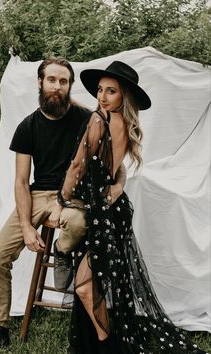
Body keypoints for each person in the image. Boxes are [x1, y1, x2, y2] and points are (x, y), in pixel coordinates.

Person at [49, 61, 209, 354]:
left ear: (125, 96)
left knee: (85, 286)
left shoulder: (99, 120)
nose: (102, 97)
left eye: (111, 91)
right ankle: (103, 337)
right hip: (112, 210)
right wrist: (119, 185)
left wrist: (60, 203)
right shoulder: (121, 122)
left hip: (101, 214)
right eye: (100, 90)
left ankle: (105, 342)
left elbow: (75, 167)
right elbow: (117, 167)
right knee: (94, 284)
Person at [0, 56, 126, 353]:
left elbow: (116, 164)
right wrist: (27, 227)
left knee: (79, 223)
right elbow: (20, 182)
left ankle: (62, 250)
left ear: (70, 86)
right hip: (36, 196)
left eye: (64, 81)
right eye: (52, 80)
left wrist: (118, 186)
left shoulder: (87, 118)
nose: (58, 86)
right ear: (40, 83)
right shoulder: (27, 126)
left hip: (72, 197)